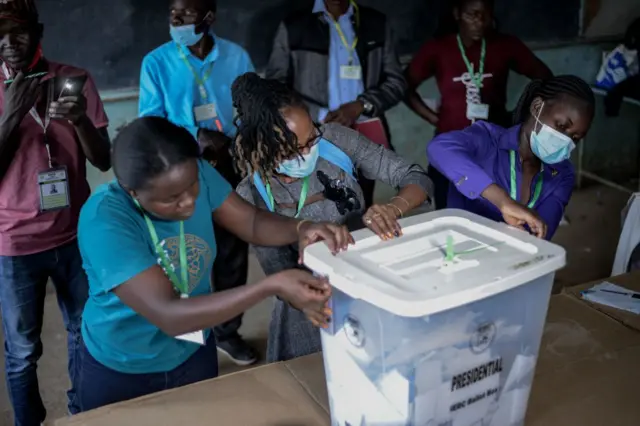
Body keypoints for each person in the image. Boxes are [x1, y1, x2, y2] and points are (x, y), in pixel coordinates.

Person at [75, 116, 351, 411]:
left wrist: (301, 227)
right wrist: (271, 285)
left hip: (194, 349)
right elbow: (168, 314)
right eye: (171, 199)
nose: (189, 202)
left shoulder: (193, 173)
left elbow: (252, 222)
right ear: (133, 192)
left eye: (192, 185)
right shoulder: (105, 219)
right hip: (124, 366)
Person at [232, 73, 432, 362]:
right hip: (309, 307)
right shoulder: (252, 194)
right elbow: (279, 272)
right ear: (263, 145)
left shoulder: (336, 140)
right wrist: (308, 303)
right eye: (294, 149)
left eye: (311, 137)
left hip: (366, 280)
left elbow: (415, 176)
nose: (309, 151)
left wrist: (394, 207)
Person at [0, 1, 110, 424]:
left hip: (74, 234)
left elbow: (103, 160)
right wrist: (11, 113)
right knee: (23, 351)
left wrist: (80, 121)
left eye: (19, 31)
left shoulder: (75, 79)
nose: (9, 43)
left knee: (85, 333)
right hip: (15, 243)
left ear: (39, 30)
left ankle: (82, 412)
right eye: (0, 34)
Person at [138, 0, 257, 365]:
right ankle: (189, 336)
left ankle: (227, 333)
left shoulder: (236, 57)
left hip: (232, 166)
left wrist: (236, 142)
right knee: (188, 253)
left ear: (209, 18)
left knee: (233, 254)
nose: (175, 20)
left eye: (185, 14)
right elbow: (150, 123)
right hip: (182, 171)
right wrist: (195, 135)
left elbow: (253, 109)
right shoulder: (156, 62)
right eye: (172, 13)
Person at [405, 0, 553, 210]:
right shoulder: (438, 48)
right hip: (451, 142)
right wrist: (435, 118)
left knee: (495, 205)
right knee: (448, 205)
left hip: (494, 142)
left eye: (485, 15)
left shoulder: (505, 45)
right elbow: (405, 86)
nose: (480, 22)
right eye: (472, 15)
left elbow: (544, 77)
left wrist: (522, 116)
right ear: (457, 14)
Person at [266, 0, 407, 209]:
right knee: (317, 205)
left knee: (360, 203)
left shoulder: (375, 23)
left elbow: (396, 83)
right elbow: (275, 86)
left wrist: (361, 105)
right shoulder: (294, 25)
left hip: (363, 132)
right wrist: (314, 114)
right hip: (312, 135)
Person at [427, 75, 595, 241]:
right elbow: (438, 148)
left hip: (516, 262)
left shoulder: (561, 173)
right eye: (561, 126)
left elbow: (540, 236)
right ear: (537, 107)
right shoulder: (487, 140)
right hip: (461, 256)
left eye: (575, 138)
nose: (565, 140)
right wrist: (502, 200)